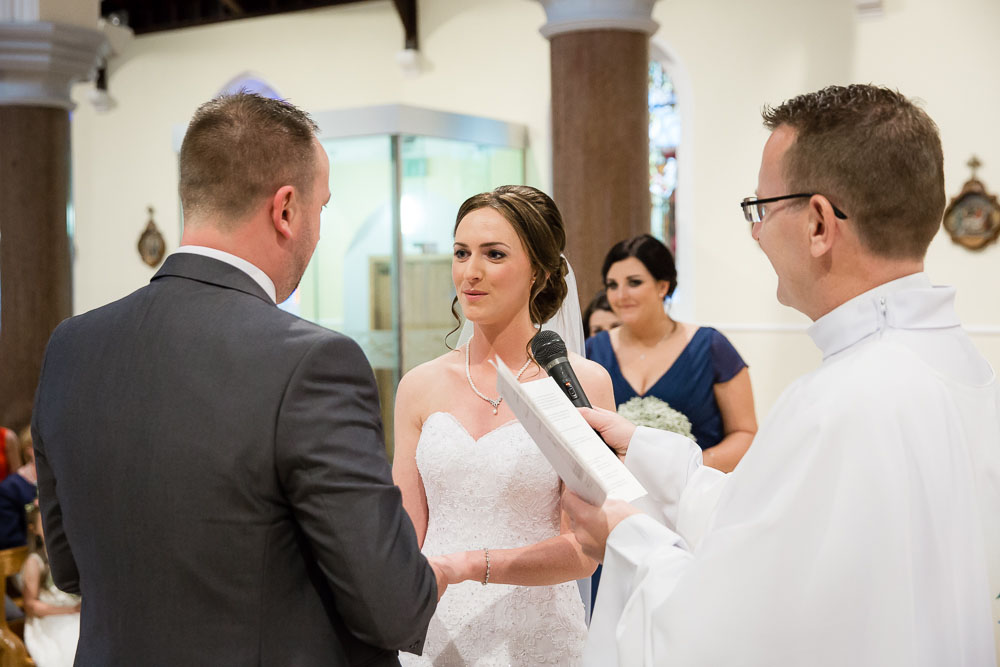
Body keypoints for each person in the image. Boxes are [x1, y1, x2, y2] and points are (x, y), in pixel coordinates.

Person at [563, 84, 1000, 666]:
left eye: (762, 210)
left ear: (819, 223)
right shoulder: (962, 367)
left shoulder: (839, 404)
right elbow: (777, 526)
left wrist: (626, 535)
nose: (756, 232)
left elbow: (724, 631)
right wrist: (646, 451)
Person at [32, 93, 440, 665]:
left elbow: (71, 565)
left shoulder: (70, 346)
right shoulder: (314, 362)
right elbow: (393, 603)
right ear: (286, 210)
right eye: (321, 210)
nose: (317, 233)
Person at [392, 185, 615, 666]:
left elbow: (585, 548)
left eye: (494, 254)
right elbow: (406, 534)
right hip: (435, 632)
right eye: (461, 253)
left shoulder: (581, 383)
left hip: (537, 638)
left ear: (540, 270)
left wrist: (472, 566)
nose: (470, 272)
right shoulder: (419, 386)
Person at [587, 234, 757, 472]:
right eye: (612, 285)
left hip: (696, 489)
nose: (621, 295)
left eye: (634, 282)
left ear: (662, 286)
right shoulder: (593, 349)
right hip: (620, 494)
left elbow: (745, 433)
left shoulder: (711, 346)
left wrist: (685, 469)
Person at [21, 501, 81, 667]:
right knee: (71, 643)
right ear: (34, 529)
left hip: (75, 611)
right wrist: (69, 610)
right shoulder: (35, 561)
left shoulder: (69, 554)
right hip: (50, 618)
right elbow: (30, 605)